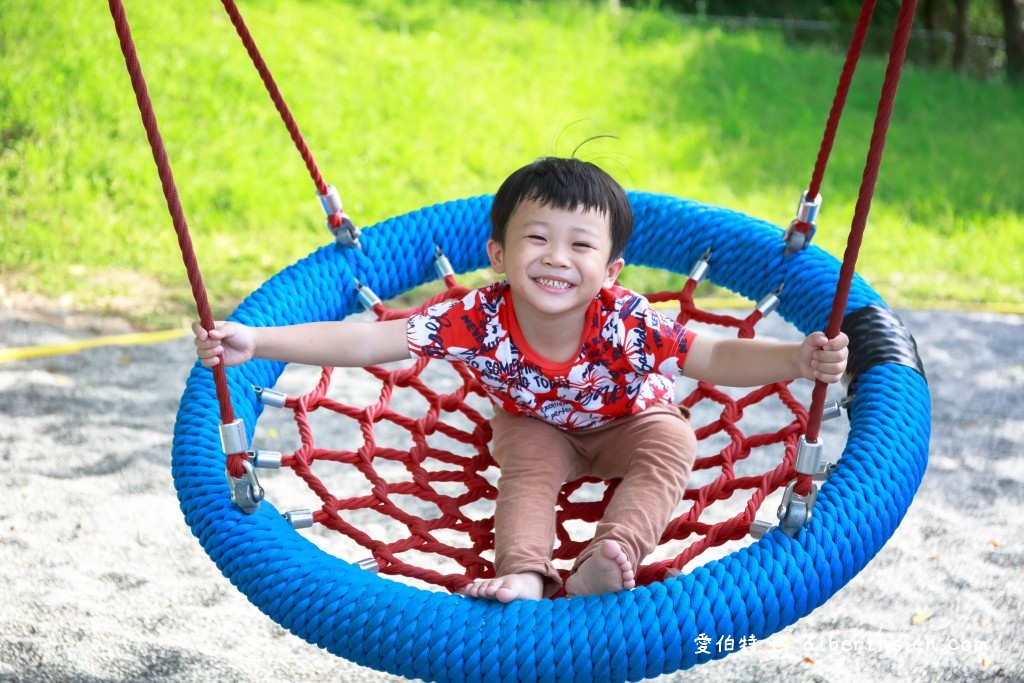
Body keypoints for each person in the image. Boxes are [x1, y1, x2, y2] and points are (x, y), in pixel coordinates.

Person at [193, 157, 849, 603]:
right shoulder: (476, 317)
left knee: (671, 444)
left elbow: (712, 357)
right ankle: (524, 575)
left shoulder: (627, 320)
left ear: (613, 270)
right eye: (537, 238)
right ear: (499, 255)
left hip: (630, 418)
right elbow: (369, 337)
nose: (557, 258)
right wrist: (259, 342)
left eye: (581, 246)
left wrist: (796, 360)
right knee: (529, 468)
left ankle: (609, 556)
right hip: (531, 421)